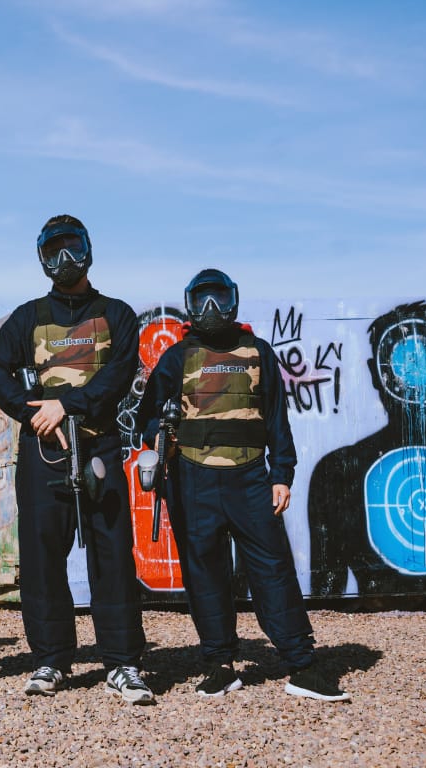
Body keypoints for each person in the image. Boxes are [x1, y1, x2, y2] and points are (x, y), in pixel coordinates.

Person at [138, 268, 350, 701]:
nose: (211, 309)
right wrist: (162, 434)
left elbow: (277, 421)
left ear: (233, 301)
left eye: (218, 299)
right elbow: (146, 419)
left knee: (273, 571)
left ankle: (302, 666)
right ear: (191, 305)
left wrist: (281, 476)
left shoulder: (259, 352)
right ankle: (220, 665)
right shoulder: (177, 358)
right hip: (192, 479)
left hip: (251, 478)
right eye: (202, 301)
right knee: (205, 575)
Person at [0, 214, 153, 704]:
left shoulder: (115, 313)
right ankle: (51, 661)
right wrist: (31, 412)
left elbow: (119, 373)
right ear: (42, 260)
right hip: (45, 453)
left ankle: (122, 664)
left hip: (97, 447)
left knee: (111, 556)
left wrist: (68, 404)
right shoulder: (28, 316)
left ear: (87, 250)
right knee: (41, 560)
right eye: (52, 251)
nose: (63, 260)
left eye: (71, 248)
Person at [309, 301, 426, 597]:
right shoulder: (338, 471)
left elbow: (326, 590)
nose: (414, 381)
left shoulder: (340, 469)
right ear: (375, 373)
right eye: (403, 363)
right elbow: (327, 588)